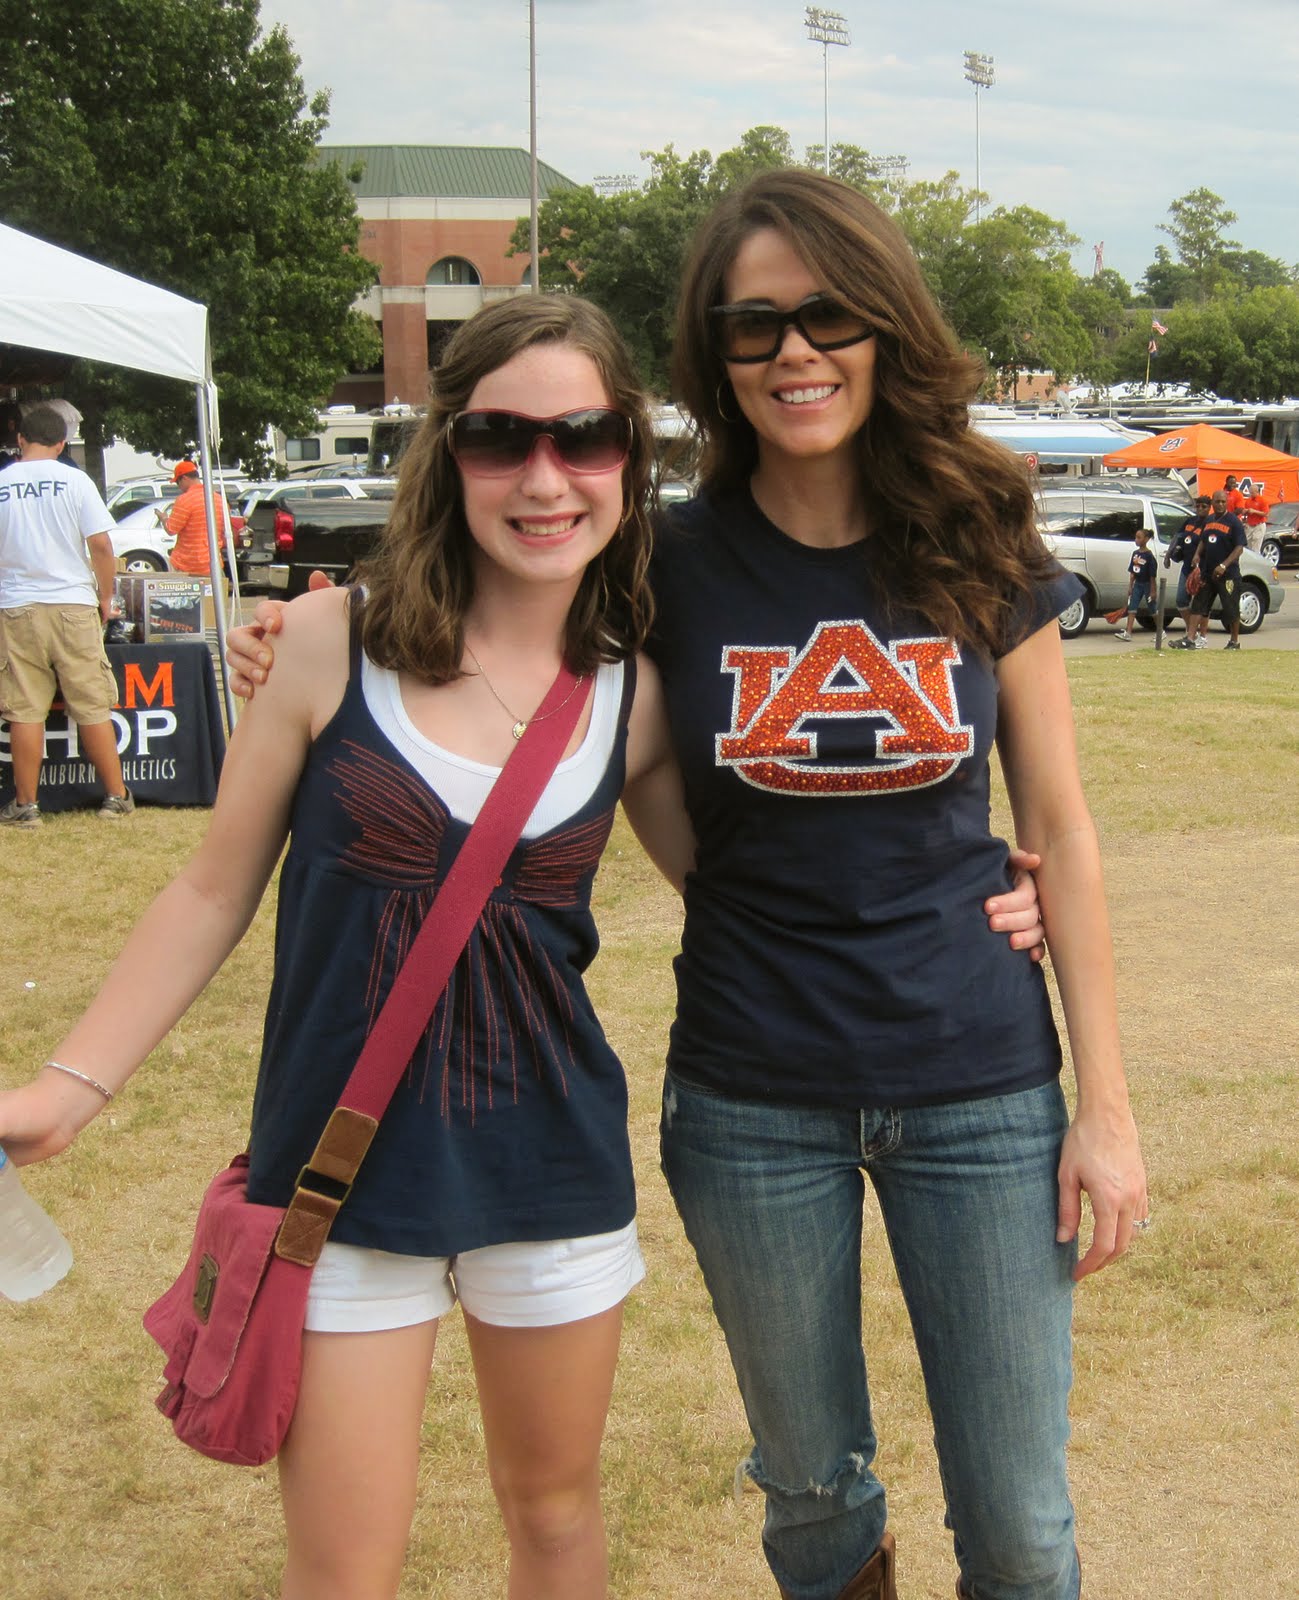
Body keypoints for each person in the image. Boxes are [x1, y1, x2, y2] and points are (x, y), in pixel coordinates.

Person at [226, 171, 1142, 1600]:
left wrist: (1106, 1107)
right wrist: (300, 634)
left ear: (885, 327)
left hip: (980, 1081)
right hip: (751, 1094)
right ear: (714, 355)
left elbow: (1061, 827)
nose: (794, 352)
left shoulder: (979, 529)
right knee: (811, 1493)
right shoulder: (664, 559)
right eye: (752, 324)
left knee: (1022, 1526)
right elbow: (489, 620)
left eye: (827, 315)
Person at [0, 295, 685, 1600]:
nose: (544, 478)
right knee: (343, 1569)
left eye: (584, 437)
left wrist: (984, 896)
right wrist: (66, 1091)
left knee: (554, 1518)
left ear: (627, 458)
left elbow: (753, 904)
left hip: (549, 1167)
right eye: (501, 438)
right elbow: (211, 892)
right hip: (337, 1177)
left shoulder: (639, 690)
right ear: (450, 452)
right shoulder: (323, 644)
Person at [0, 402, 135, 826]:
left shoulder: (2, 482)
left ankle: (27, 806)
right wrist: (105, 598)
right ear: (62, 443)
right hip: (74, 603)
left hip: (16, 605)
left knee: (24, 709)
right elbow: (101, 546)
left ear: (20, 439)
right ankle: (116, 796)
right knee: (92, 705)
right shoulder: (75, 481)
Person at [1192, 490, 1247, 650]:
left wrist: (1224, 565)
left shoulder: (1234, 522)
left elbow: (1239, 547)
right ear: (1213, 503)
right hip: (1209, 573)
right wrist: (1197, 554)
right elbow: (1203, 540)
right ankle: (1189, 639)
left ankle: (1234, 641)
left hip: (1228, 574)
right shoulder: (1209, 520)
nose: (1220, 504)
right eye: (1217, 501)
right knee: (1199, 605)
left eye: (1223, 502)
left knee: (1231, 608)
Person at [163, 458, 230, 578]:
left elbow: (171, 529)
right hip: (213, 564)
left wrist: (163, 518)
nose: (179, 486)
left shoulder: (184, 500)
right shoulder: (219, 499)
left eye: (178, 482)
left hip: (187, 566)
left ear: (184, 478)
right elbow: (226, 529)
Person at [1165, 494, 1210, 647]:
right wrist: (1168, 555)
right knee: (1181, 600)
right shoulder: (1190, 521)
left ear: (1209, 508)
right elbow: (1178, 537)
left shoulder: (1210, 523)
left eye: (1204, 506)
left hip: (1201, 569)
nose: (1200, 509)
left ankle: (1202, 637)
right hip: (1186, 567)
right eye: (1198, 506)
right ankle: (1192, 632)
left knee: (1201, 605)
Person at [1113, 524, 1156, 640]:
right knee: (1132, 607)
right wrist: (1130, 586)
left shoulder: (1149, 556)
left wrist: (1153, 591)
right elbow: (1132, 572)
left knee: (1152, 608)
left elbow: (1152, 576)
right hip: (1138, 584)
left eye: (1139, 537)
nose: (1136, 540)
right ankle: (1128, 632)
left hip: (1147, 584)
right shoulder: (1135, 554)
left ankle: (1160, 631)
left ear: (1146, 539)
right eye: (1136, 537)